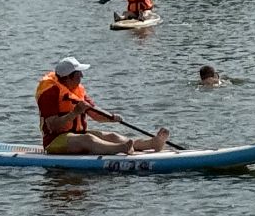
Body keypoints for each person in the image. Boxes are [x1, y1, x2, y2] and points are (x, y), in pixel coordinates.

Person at [35, 56, 169, 155]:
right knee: (88, 138)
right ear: (68, 77)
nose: (82, 75)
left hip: (76, 135)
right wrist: (74, 113)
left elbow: (95, 114)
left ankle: (152, 143)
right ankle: (121, 149)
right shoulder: (49, 93)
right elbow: (52, 125)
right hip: (54, 141)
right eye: (78, 74)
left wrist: (111, 117)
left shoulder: (76, 90)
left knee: (112, 136)